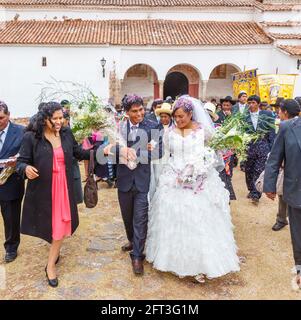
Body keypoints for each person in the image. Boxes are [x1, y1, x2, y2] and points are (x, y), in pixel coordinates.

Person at [145, 96, 240, 281]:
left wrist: (200, 167)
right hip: (173, 178)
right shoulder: (169, 132)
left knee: (198, 220)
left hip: (199, 180)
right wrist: (150, 148)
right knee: (173, 217)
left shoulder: (203, 131)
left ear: (191, 114)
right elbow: (163, 152)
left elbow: (213, 153)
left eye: (181, 116)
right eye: (176, 117)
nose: (178, 120)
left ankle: (202, 264)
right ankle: (172, 259)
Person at [16, 102, 92, 287]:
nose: (59, 122)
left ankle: (51, 261)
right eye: (55, 119)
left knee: (61, 226)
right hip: (44, 190)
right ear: (45, 119)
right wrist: (25, 168)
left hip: (64, 188)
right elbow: (21, 162)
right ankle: (52, 261)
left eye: (61, 118)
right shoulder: (31, 137)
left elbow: (78, 153)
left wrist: (99, 150)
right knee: (55, 227)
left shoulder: (65, 133)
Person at [99, 94, 163, 276]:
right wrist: (120, 150)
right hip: (124, 179)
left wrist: (135, 153)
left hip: (142, 179)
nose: (139, 113)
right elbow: (107, 152)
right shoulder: (117, 128)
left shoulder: (152, 126)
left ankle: (137, 255)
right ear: (126, 113)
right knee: (127, 216)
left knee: (140, 217)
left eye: (141, 109)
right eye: (134, 111)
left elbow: (159, 152)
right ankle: (132, 240)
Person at [263, 99, 301, 288]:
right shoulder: (287, 127)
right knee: (299, 236)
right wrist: (269, 185)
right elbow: (275, 157)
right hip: (296, 191)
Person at [0, 101, 25, 263]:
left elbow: (26, 155)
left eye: (1, 118)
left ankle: (11, 247)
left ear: (9, 115)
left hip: (10, 183)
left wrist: (17, 161)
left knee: (10, 218)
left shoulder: (21, 132)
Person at [271, 99, 300, 231]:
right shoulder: (284, 126)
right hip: (288, 169)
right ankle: (281, 218)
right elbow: (278, 151)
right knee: (284, 193)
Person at [244, 95, 276, 205]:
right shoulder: (244, 116)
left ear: (258, 104)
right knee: (249, 170)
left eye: (253, 102)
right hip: (249, 147)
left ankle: (255, 194)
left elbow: (272, 131)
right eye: (249, 103)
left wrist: (271, 148)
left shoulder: (267, 114)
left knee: (258, 170)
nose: (251, 105)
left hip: (263, 146)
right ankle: (251, 189)